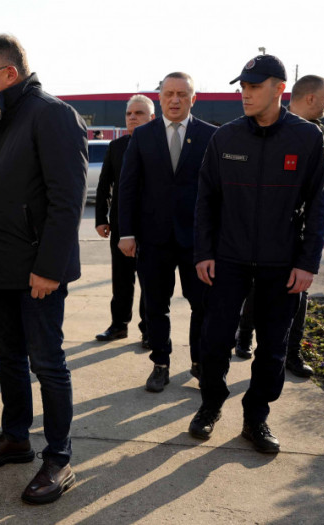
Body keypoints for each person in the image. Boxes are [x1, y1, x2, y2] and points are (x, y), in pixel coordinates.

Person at [0, 34, 87, 505]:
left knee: (47, 362)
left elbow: (65, 200)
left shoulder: (51, 114)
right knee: (8, 355)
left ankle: (58, 457)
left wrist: (49, 268)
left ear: (9, 74)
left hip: (39, 272)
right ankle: (16, 436)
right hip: (1, 266)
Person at [190, 54, 324, 453]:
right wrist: (204, 252)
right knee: (214, 341)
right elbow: (206, 201)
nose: (245, 94)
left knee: (273, 347)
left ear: (279, 89)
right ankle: (210, 405)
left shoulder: (305, 138)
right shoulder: (225, 137)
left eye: (253, 87)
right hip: (228, 261)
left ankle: (256, 417)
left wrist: (307, 263)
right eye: (243, 87)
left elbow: (317, 205)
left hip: (281, 265)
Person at [232, 74, 324, 377]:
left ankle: (292, 353)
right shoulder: (275, 126)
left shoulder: (319, 133)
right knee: (258, 288)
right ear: (310, 97)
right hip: (273, 229)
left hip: (304, 228)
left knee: (300, 294)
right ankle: (244, 334)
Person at [118, 72, 217, 392]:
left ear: (193, 98)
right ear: (160, 98)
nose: (175, 100)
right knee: (156, 305)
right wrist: (127, 232)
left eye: (182, 94)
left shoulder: (211, 136)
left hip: (197, 242)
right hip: (153, 238)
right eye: (169, 94)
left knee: (201, 304)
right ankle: (160, 363)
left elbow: (218, 192)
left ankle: (200, 362)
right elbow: (128, 187)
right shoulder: (143, 135)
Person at [94, 95, 154, 346]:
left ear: (152, 118)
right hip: (120, 225)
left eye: (138, 113)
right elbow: (104, 184)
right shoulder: (116, 147)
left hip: (151, 226)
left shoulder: (159, 147)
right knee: (121, 279)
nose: (132, 118)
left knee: (150, 280)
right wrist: (101, 218)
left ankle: (149, 330)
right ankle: (119, 325)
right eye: (129, 114)